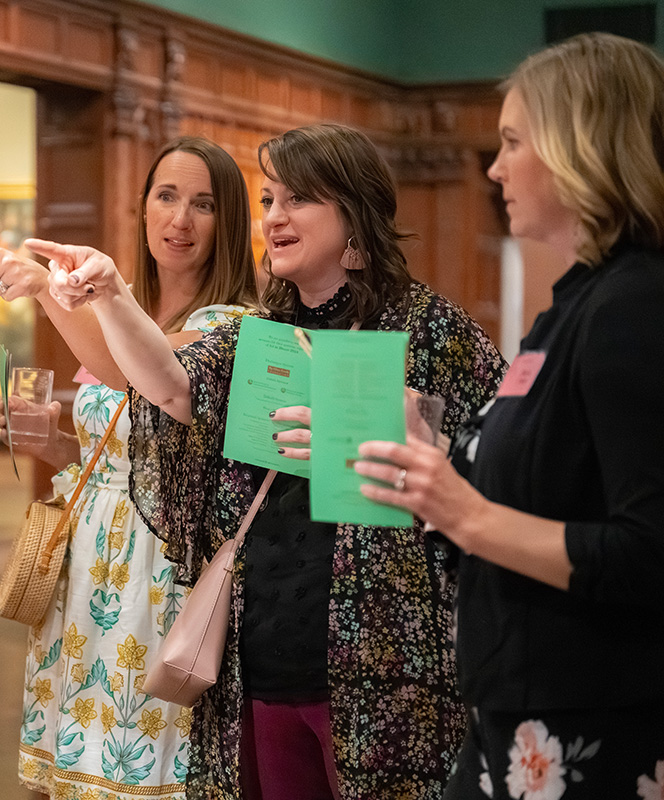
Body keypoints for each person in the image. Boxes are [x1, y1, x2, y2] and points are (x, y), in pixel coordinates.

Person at [34, 123, 506, 799]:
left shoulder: (430, 330)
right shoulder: (259, 333)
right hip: (263, 658)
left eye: (299, 199)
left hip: (388, 675)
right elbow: (167, 383)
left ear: (356, 216)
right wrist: (109, 293)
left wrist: (421, 450)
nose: (275, 218)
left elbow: (503, 475)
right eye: (267, 200)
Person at [355, 33, 664, 798]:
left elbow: (648, 553)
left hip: (590, 723)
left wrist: (461, 510)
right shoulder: (575, 303)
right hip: (518, 708)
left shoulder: (635, 306)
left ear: (579, 147)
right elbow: (543, 482)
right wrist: (430, 452)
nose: (494, 168)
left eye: (512, 142)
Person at [0, 136, 259, 800]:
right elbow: (126, 448)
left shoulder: (232, 323)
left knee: (136, 763)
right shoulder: (119, 317)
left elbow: (146, 373)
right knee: (71, 766)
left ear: (230, 223)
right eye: (166, 196)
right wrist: (56, 445)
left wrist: (45, 287)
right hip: (88, 564)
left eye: (204, 204)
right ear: (144, 208)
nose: (180, 220)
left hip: (158, 570)